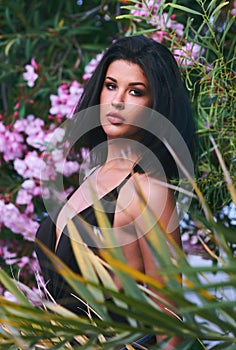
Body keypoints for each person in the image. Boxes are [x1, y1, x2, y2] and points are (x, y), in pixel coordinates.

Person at [35, 35, 196, 349]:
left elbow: (169, 322)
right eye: (111, 85)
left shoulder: (149, 189)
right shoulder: (94, 177)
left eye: (135, 91)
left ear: (157, 104)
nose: (118, 100)